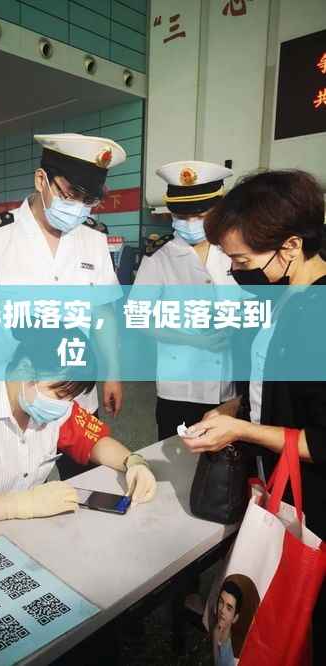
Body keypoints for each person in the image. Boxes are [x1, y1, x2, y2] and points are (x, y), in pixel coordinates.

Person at [179, 170, 326, 663]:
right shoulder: (282, 299)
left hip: (314, 502)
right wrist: (233, 409)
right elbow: (275, 388)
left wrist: (242, 429)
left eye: (242, 260)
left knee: (301, 613)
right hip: (277, 484)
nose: (236, 272)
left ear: (291, 246)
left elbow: (322, 438)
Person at [0, 133, 126, 478]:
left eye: (89, 200)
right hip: (13, 399)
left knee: (85, 485)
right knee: (12, 489)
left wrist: (112, 372)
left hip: (76, 396)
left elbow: (103, 312)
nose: (78, 207)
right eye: (71, 194)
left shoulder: (94, 238)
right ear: (41, 179)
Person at [0, 327, 156, 529]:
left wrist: (133, 462)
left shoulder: (52, 404)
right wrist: (19, 505)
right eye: (60, 394)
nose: (64, 406)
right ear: (26, 369)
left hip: (21, 532)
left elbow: (95, 442)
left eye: (70, 398)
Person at [133, 161, 237, 441]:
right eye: (181, 215)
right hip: (178, 388)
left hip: (229, 384)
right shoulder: (159, 256)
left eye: (200, 215)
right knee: (177, 453)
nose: (190, 223)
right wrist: (192, 339)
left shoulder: (236, 250)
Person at [213, 580, 242, 666]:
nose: (222, 610)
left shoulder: (231, 659)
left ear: (235, 618)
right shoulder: (215, 630)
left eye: (229, 608)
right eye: (221, 602)